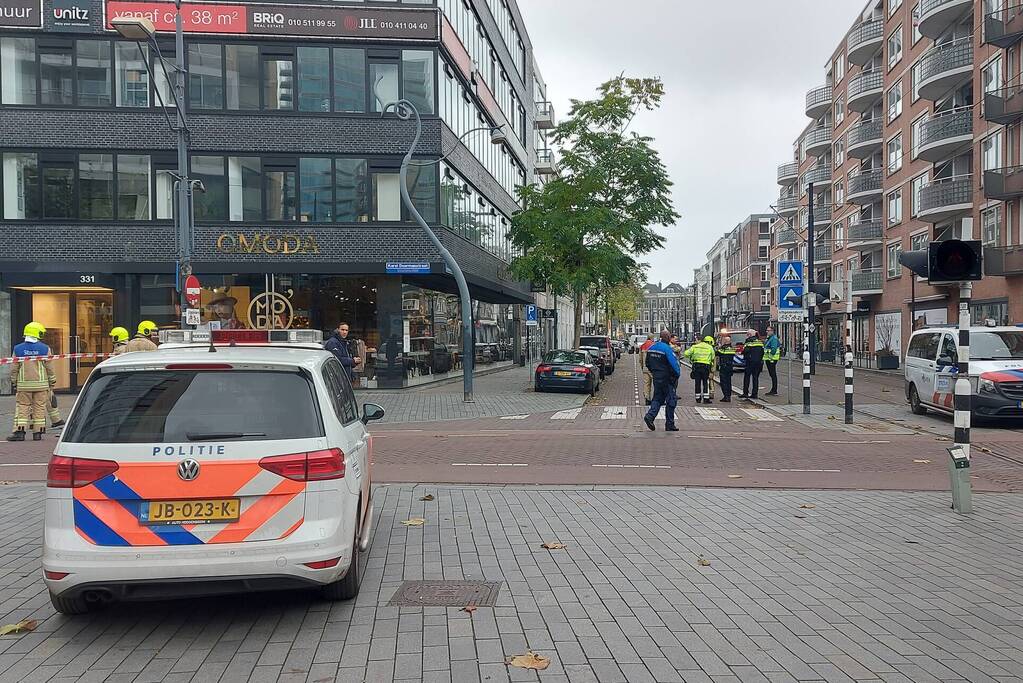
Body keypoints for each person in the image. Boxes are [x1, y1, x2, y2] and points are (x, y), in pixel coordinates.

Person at [7, 323, 56, 442]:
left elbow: (14, 368)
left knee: (23, 407)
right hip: (41, 385)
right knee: (39, 408)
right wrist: (52, 381)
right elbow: (49, 367)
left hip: (24, 385)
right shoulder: (45, 348)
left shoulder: (18, 349)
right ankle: (37, 433)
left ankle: (20, 433)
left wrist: (14, 381)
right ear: (37, 333)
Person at [643, 331, 680, 432]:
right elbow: (674, 365)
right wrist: (676, 375)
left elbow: (647, 363)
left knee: (657, 398)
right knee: (671, 400)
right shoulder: (667, 349)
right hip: (667, 379)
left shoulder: (652, 348)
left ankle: (650, 416)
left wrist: (654, 372)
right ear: (668, 337)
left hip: (656, 377)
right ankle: (670, 424)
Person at [685, 336, 716, 404]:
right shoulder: (709, 347)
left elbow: (686, 354)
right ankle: (706, 399)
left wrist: (692, 357)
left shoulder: (695, 347)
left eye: (695, 340)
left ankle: (698, 398)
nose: (695, 341)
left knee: (697, 383)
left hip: (697, 366)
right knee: (705, 382)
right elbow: (713, 357)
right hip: (706, 366)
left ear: (699, 340)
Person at [742, 330, 765, 400]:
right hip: (758, 362)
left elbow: (745, 350)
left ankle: (745, 393)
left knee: (747, 377)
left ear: (749, 335)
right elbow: (762, 351)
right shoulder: (760, 341)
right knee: (755, 378)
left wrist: (744, 353)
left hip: (750, 361)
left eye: (747, 334)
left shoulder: (748, 341)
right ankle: (755, 393)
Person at [716, 336, 736, 403]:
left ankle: (726, 396)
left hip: (724, 367)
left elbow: (717, 353)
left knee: (723, 382)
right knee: (729, 382)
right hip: (730, 367)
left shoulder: (723, 348)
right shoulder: (732, 349)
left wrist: (720, 346)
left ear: (725, 341)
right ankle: (729, 396)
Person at [764, 325, 781, 396]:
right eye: (767, 330)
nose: (766, 332)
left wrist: (770, 357)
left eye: (768, 330)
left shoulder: (773, 339)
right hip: (769, 359)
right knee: (772, 374)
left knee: (773, 374)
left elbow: (773, 349)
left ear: (772, 331)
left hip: (772, 359)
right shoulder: (769, 338)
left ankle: (774, 390)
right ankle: (773, 389)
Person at [639, 333, 655, 405]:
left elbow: (640, 359)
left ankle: (647, 398)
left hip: (645, 368)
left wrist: (642, 367)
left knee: (646, 384)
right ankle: (656, 399)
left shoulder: (642, 346)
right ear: (652, 338)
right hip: (653, 368)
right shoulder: (654, 345)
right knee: (656, 384)